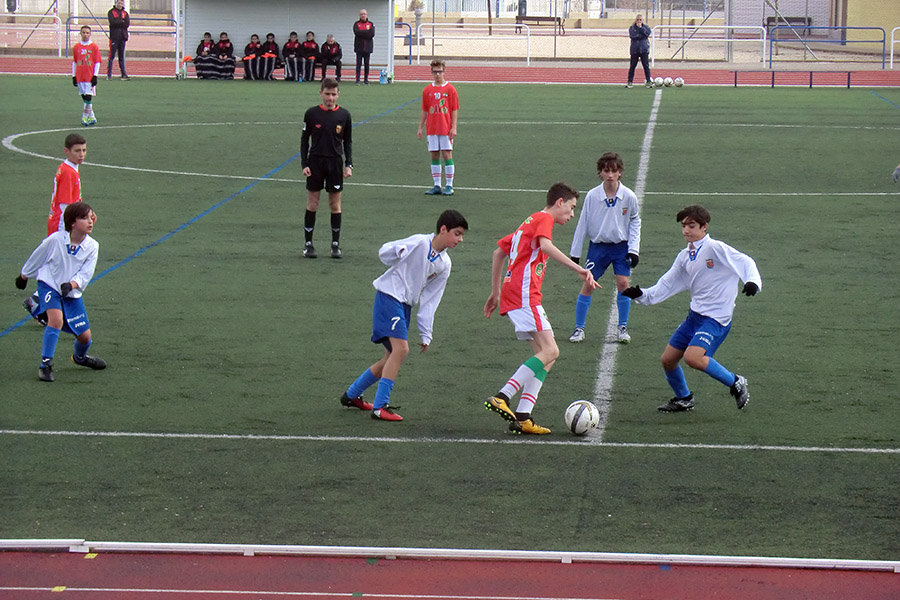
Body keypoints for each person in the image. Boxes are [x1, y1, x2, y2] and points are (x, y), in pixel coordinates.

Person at [483, 182, 599, 435]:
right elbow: (545, 246)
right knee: (551, 350)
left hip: (515, 295)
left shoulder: (528, 222)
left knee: (546, 357)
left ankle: (523, 416)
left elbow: (497, 253)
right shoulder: (543, 218)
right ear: (559, 202)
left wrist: (496, 292)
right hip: (525, 296)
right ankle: (503, 395)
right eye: (571, 208)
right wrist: (578, 268)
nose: (571, 214)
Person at [621, 204, 761, 412]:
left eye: (692, 226)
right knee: (668, 360)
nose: (686, 230)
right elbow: (667, 283)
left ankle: (736, 382)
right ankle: (684, 398)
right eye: (683, 226)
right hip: (694, 317)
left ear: (704, 227)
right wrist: (642, 295)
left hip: (716, 320)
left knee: (693, 357)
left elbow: (746, 262)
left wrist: (752, 282)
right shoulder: (685, 256)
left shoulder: (715, 248)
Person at [340, 210, 468, 421]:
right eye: (457, 233)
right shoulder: (419, 242)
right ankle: (380, 407)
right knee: (401, 350)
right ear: (443, 229)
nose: (460, 240)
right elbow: (385, 252)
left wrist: (426, 333)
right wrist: (397, 251)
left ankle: (351, 395)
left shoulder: (444, 265)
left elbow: (430, 300)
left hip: (404, 305)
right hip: (389, 297)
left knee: (391, 356)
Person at [15, 202, 107, 382]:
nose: (90, 222)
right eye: (85, 218)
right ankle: (45, 365)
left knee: (85, 337)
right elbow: (37, 256)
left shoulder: (93, 246)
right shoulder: (56, 240)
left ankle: (80, 358)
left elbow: (86, 273)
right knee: (56, 320)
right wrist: (24, 276)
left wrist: (72, 284)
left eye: (91, 217)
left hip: (71, 292)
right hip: (49, 285)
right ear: (72, 223)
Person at [568, 152, 641, 344]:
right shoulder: (593, 196)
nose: (610, 175)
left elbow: (635, 222)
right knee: (588, 284)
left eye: (614, 171)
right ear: (600, 173)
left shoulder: (629, 197)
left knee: (623, 285)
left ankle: (622, 327)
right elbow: (582, 223)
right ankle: (579, 328)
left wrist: (634, 250)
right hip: (598, 248)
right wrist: (575, 254)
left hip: (620, 248)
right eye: (606, 171)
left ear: (620, 173)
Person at [23, 133, 89, 325]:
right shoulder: (68, 172)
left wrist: (86, 213)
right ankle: (37, 302)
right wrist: (74, 228)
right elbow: (66, 206)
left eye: (84, 150)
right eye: (77, 151)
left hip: (60, 223)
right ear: (66, 151)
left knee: (59, 265)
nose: (82, 154)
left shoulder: (69, 169)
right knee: (62, 265)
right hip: (63, 225)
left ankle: (38, 302)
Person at [300, 78, 353, 259]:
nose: (330, 98)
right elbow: (304, 140)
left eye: (333, 94)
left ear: (338, 94)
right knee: (312, 203)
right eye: (327, 94)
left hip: (335, 164)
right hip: (315, 163)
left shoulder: (344, 115)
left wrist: (349, 164)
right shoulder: (311, 114)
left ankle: (335, 245)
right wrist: (304, 164)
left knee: (334, 204)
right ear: (321, 93)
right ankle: (308, 244)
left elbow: (348, 142)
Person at [417, 59, 459, 197]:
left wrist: (454, 127)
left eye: (440, 72)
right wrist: (420, 128)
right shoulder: (427, 90)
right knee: (434, 155)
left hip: (445, 128)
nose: (437, 75)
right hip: (432, 128)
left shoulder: (450, 89)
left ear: (444, 71)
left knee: (447, 154)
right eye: (435, 72)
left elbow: (454, 110)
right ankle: (436, 185)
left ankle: (449, 185)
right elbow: (425, 110)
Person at [72, 25, 101, 126]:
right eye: (83, 32)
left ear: (90, 34)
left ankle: (84, 117)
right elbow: (75, 62)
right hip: (80, 76)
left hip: (89, 76)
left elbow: (97, 62)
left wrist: (95, 75)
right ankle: (92, 117)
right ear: (80, 33)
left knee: (88, 97)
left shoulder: (94, 47)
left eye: (87, 33)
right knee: (84, 97)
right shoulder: (76, 47)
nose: (85, 34)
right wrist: (73, 76)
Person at [626, 14, 652, 89]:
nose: (639, 21)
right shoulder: (632, 28)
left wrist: (641, 29)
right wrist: (640, 35)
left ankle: (648, 81)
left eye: (640, 20)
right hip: (635, 50)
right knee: (632, 66)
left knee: (646, 66)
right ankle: (630, 81)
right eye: (638, 20)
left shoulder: (646, 27)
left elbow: (647, 34)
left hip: (644, 50)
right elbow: (633, 36)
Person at [106, 0, 130, 80]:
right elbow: (112, 22)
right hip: (114, 37)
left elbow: (127, 24)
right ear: (116, 3)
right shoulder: (111, 12)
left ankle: (123, 74)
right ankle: (109, 74)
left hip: (122, 37)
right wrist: (121, 22)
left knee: (121, 56)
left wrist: (119, 22)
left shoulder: (125, 13)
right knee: (111, 56)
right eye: (118, 3)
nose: (120, 5)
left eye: (121, 3)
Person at [352, 8, 374, 85]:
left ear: (366, 15)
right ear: (360, 15)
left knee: (367, 64)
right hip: (359, 48)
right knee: (358, 64)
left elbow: (371, 34)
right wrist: (366, 33)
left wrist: (363, 33)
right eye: (361, 14)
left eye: (364, 14)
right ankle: (357, 80)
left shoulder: (371, 24)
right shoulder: (356, 24)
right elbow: (357, 33)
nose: (363, 15)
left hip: (368, 48)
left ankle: (366, 80)